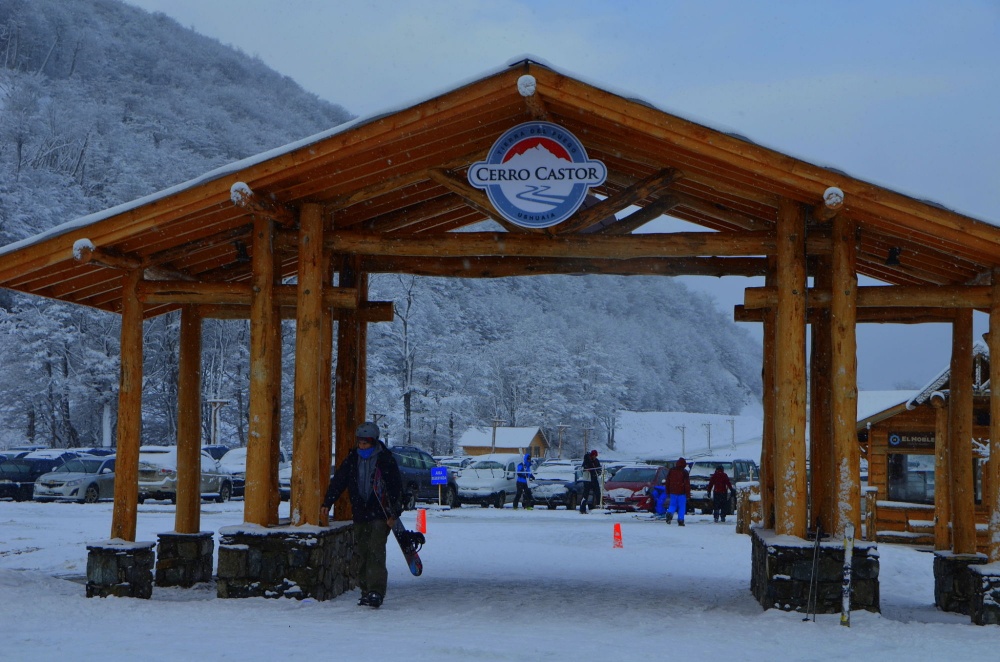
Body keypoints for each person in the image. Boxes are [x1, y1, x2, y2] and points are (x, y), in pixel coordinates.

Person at [321, 421, 403, 609]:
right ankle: (366, 591)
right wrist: (328, 502)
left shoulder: (385, 459)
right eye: (360, 442)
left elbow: (396, 487)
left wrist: (394, 513)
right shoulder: (352, 459)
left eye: (365, 443)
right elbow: (339, 481)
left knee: (376, 551)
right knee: (363, 553)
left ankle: (376, 591)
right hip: (360, 513)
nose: (362, 446)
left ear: (373, 442)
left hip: (380, 514)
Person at [664, 457, 690, 526]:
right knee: (682, 506)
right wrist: (688, 494)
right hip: (682, 493)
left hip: (673, 491)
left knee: (672, 505)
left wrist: (668, 491)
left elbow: (667, 482)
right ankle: (680, 520)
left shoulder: (671, 470)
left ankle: (669, 514)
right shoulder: (684, 472)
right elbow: (687, 484)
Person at [579, 449, 601, 514]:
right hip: (587, 479)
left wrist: (598, 472)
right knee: (585, 494)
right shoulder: (587, 460)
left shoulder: (596, 461)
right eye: (595, 455)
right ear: (592, 455)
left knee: (598, 492)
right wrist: (588, 468)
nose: (595, 457)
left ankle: (598, 506)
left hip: (594, 478)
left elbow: (599, 468)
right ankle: (582, 509)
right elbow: (584, 468)